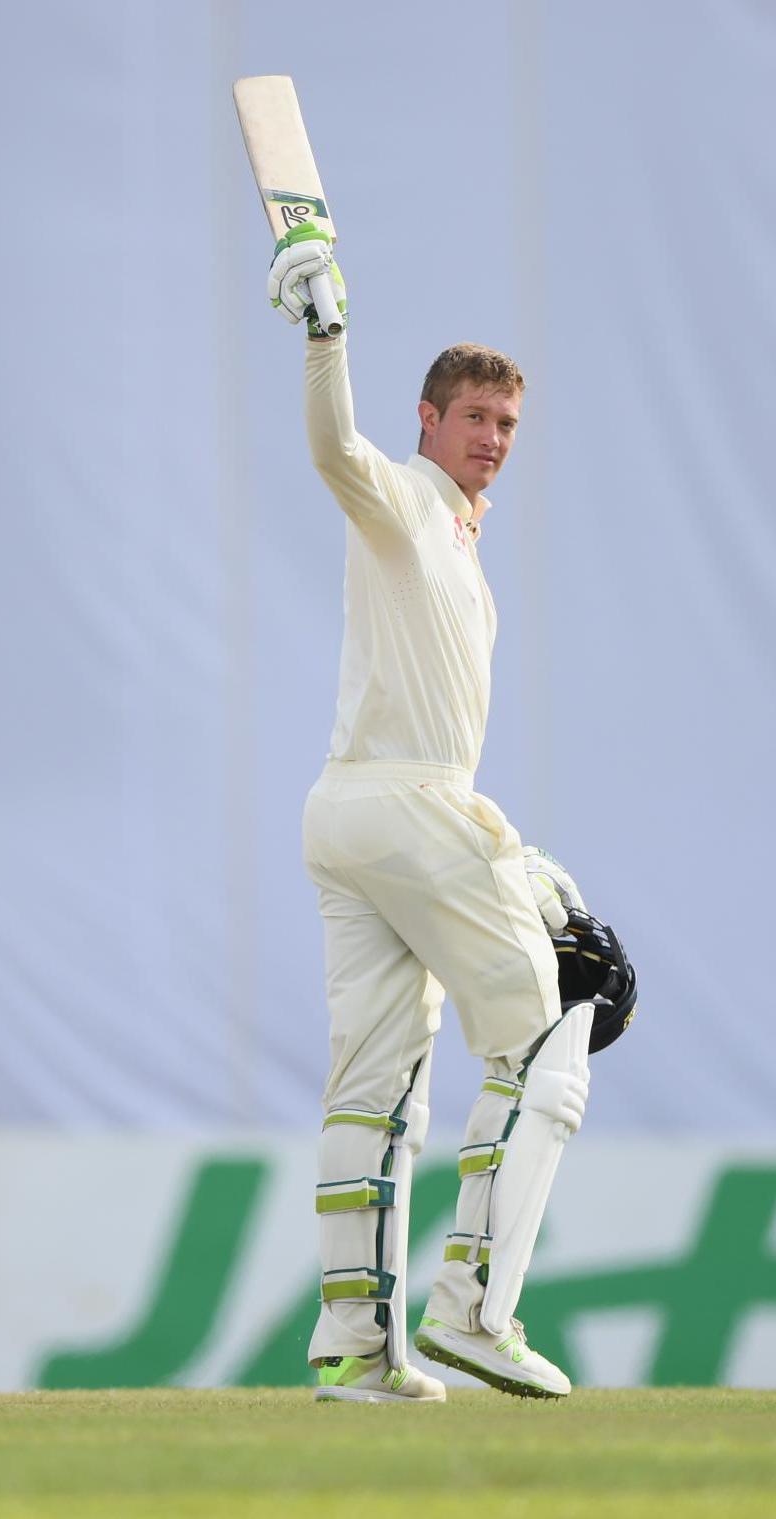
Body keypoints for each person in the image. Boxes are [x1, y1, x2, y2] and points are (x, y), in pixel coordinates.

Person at [267, 233, 597, 1402]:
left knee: (375, 1088)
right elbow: (333, 449)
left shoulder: (458, 546)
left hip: (354, 813)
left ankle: (358, 1347)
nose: (492, 439)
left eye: (507, 422)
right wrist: (324, 333)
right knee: (550, 1037)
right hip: (400, 804)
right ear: (428, 419)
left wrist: (510, 845)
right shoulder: (406, 499)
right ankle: (472, 1311)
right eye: (473, 417)